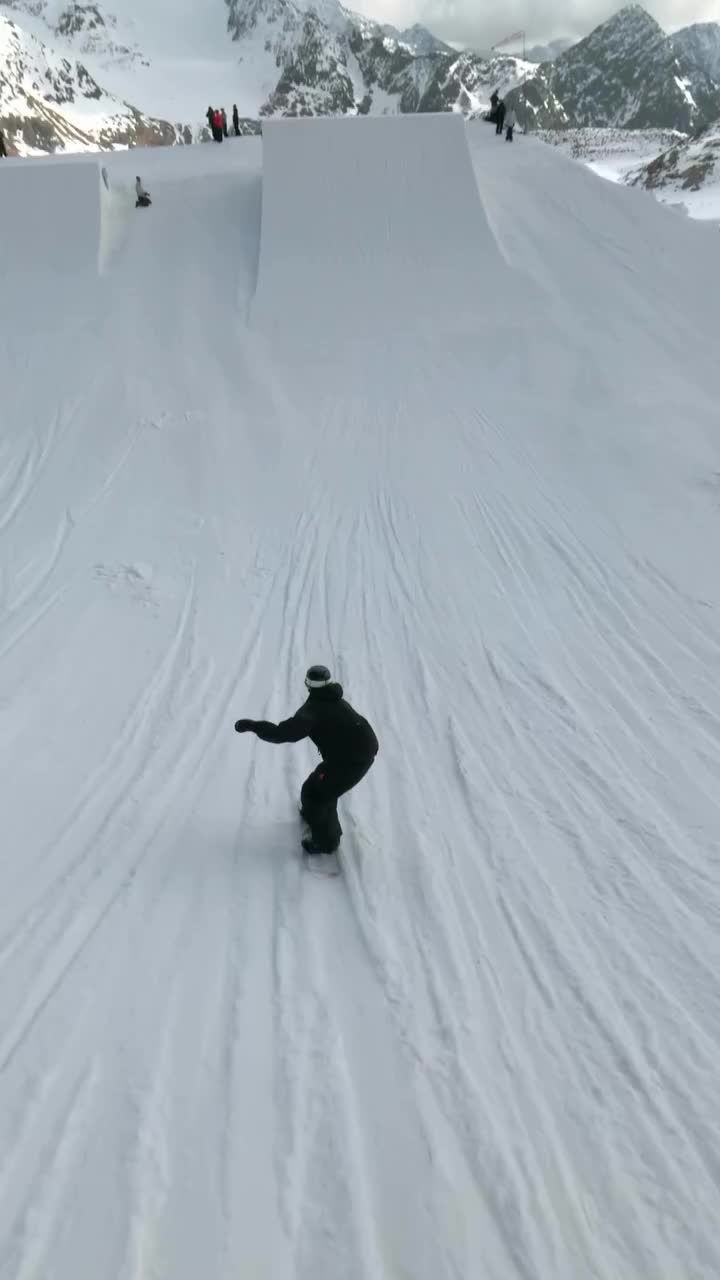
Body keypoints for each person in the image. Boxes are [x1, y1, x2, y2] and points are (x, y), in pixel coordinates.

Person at [234, 665, 378, 854]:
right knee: (312, 787)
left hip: (351, 761)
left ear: (308, 685)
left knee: (319, 797)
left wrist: (254, 726)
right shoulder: (335, 699)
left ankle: (326, 843)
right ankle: (312, 814)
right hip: (349, 755)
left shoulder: (313, 711)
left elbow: (282, 733)